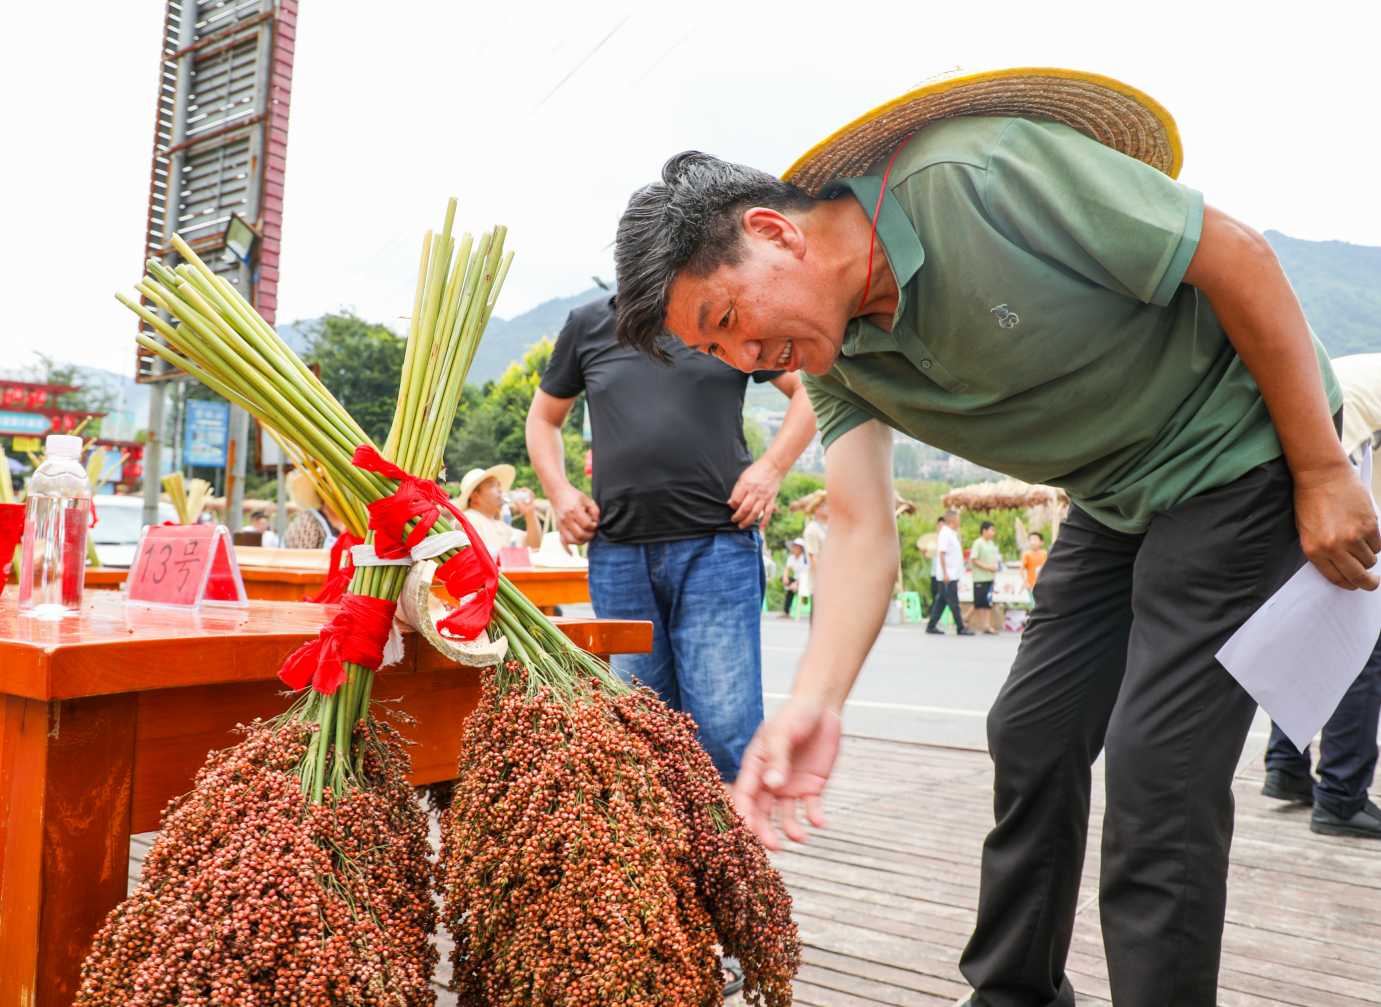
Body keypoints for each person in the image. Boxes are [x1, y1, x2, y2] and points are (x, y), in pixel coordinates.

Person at [611, 68, 1378, 1007]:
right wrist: (814, 702)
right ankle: (1013, 993)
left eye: (730, 320)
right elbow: (857, 525)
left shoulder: (972, 176)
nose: (743, 358)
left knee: (1156, 771)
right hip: (1112, 490)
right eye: (716, 351)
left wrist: (1320, 469)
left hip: (1233, 452)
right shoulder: (840, 361)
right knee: (1030, 729)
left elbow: (1234, 254)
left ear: (773, 232)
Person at [524, 295, 816, 783]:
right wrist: (560, 493)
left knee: (724, 728)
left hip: (717, 547)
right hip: (619, 553)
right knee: (637, 729)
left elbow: (808, 389)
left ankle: (728, 855)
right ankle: (659, 857)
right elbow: (543, 418)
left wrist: (771, 469)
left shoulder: (725, 310)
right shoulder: (590, 324)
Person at [1261, 352, 1381, 838]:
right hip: (1328, 446)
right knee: (1363, 639)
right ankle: (1340, 795)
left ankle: (1286, 768)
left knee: (1312, 630)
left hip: (1292, 432)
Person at [456, 464, 541, 559]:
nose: (500, 490)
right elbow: (481, 555)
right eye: (492, 485)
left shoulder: (500, 525)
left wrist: (530, 513)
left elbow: (534, 546)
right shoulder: (468, 519)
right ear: (475, 496)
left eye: (499, 485)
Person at [926, 509, 970, 636]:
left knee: (941, 601)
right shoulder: (945, 533)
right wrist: (945, 573)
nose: (959, 522)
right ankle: (960, 627)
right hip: (947, 575)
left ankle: (931, 626)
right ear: (952, 520)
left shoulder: (952, 533)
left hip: (952, 574)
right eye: (958, 519)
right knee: (953, 602)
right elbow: (941, 553)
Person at [282, 468, 345, 550]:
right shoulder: (307, 523)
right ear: (320, 491)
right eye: (331, 484)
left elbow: (363, 560)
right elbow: (299, 560)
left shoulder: (359, 522)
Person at [970, 520, 1001, 635]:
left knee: (987, 603)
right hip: (980, 577)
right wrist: (988, 567)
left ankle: (986, 625)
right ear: (984, 531)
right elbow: (973, 559)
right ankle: (981, 624)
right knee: (980, 603)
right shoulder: (978, 543)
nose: (993, 532)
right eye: (991, 530)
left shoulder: (991, 544)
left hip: (989, 577)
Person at [783, 538, 808, 617]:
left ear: (801, 548)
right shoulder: (791, 558)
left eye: (796, 547)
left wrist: (797, 583)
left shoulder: (805, 559)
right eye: (794, 546)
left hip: (805, 579)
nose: (794, 548)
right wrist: (785, 577)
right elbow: (787, 569)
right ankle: (786, 612)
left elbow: (805, 573)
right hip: (795, 579)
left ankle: (803, 596)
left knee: (791, 589)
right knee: (788, 584)